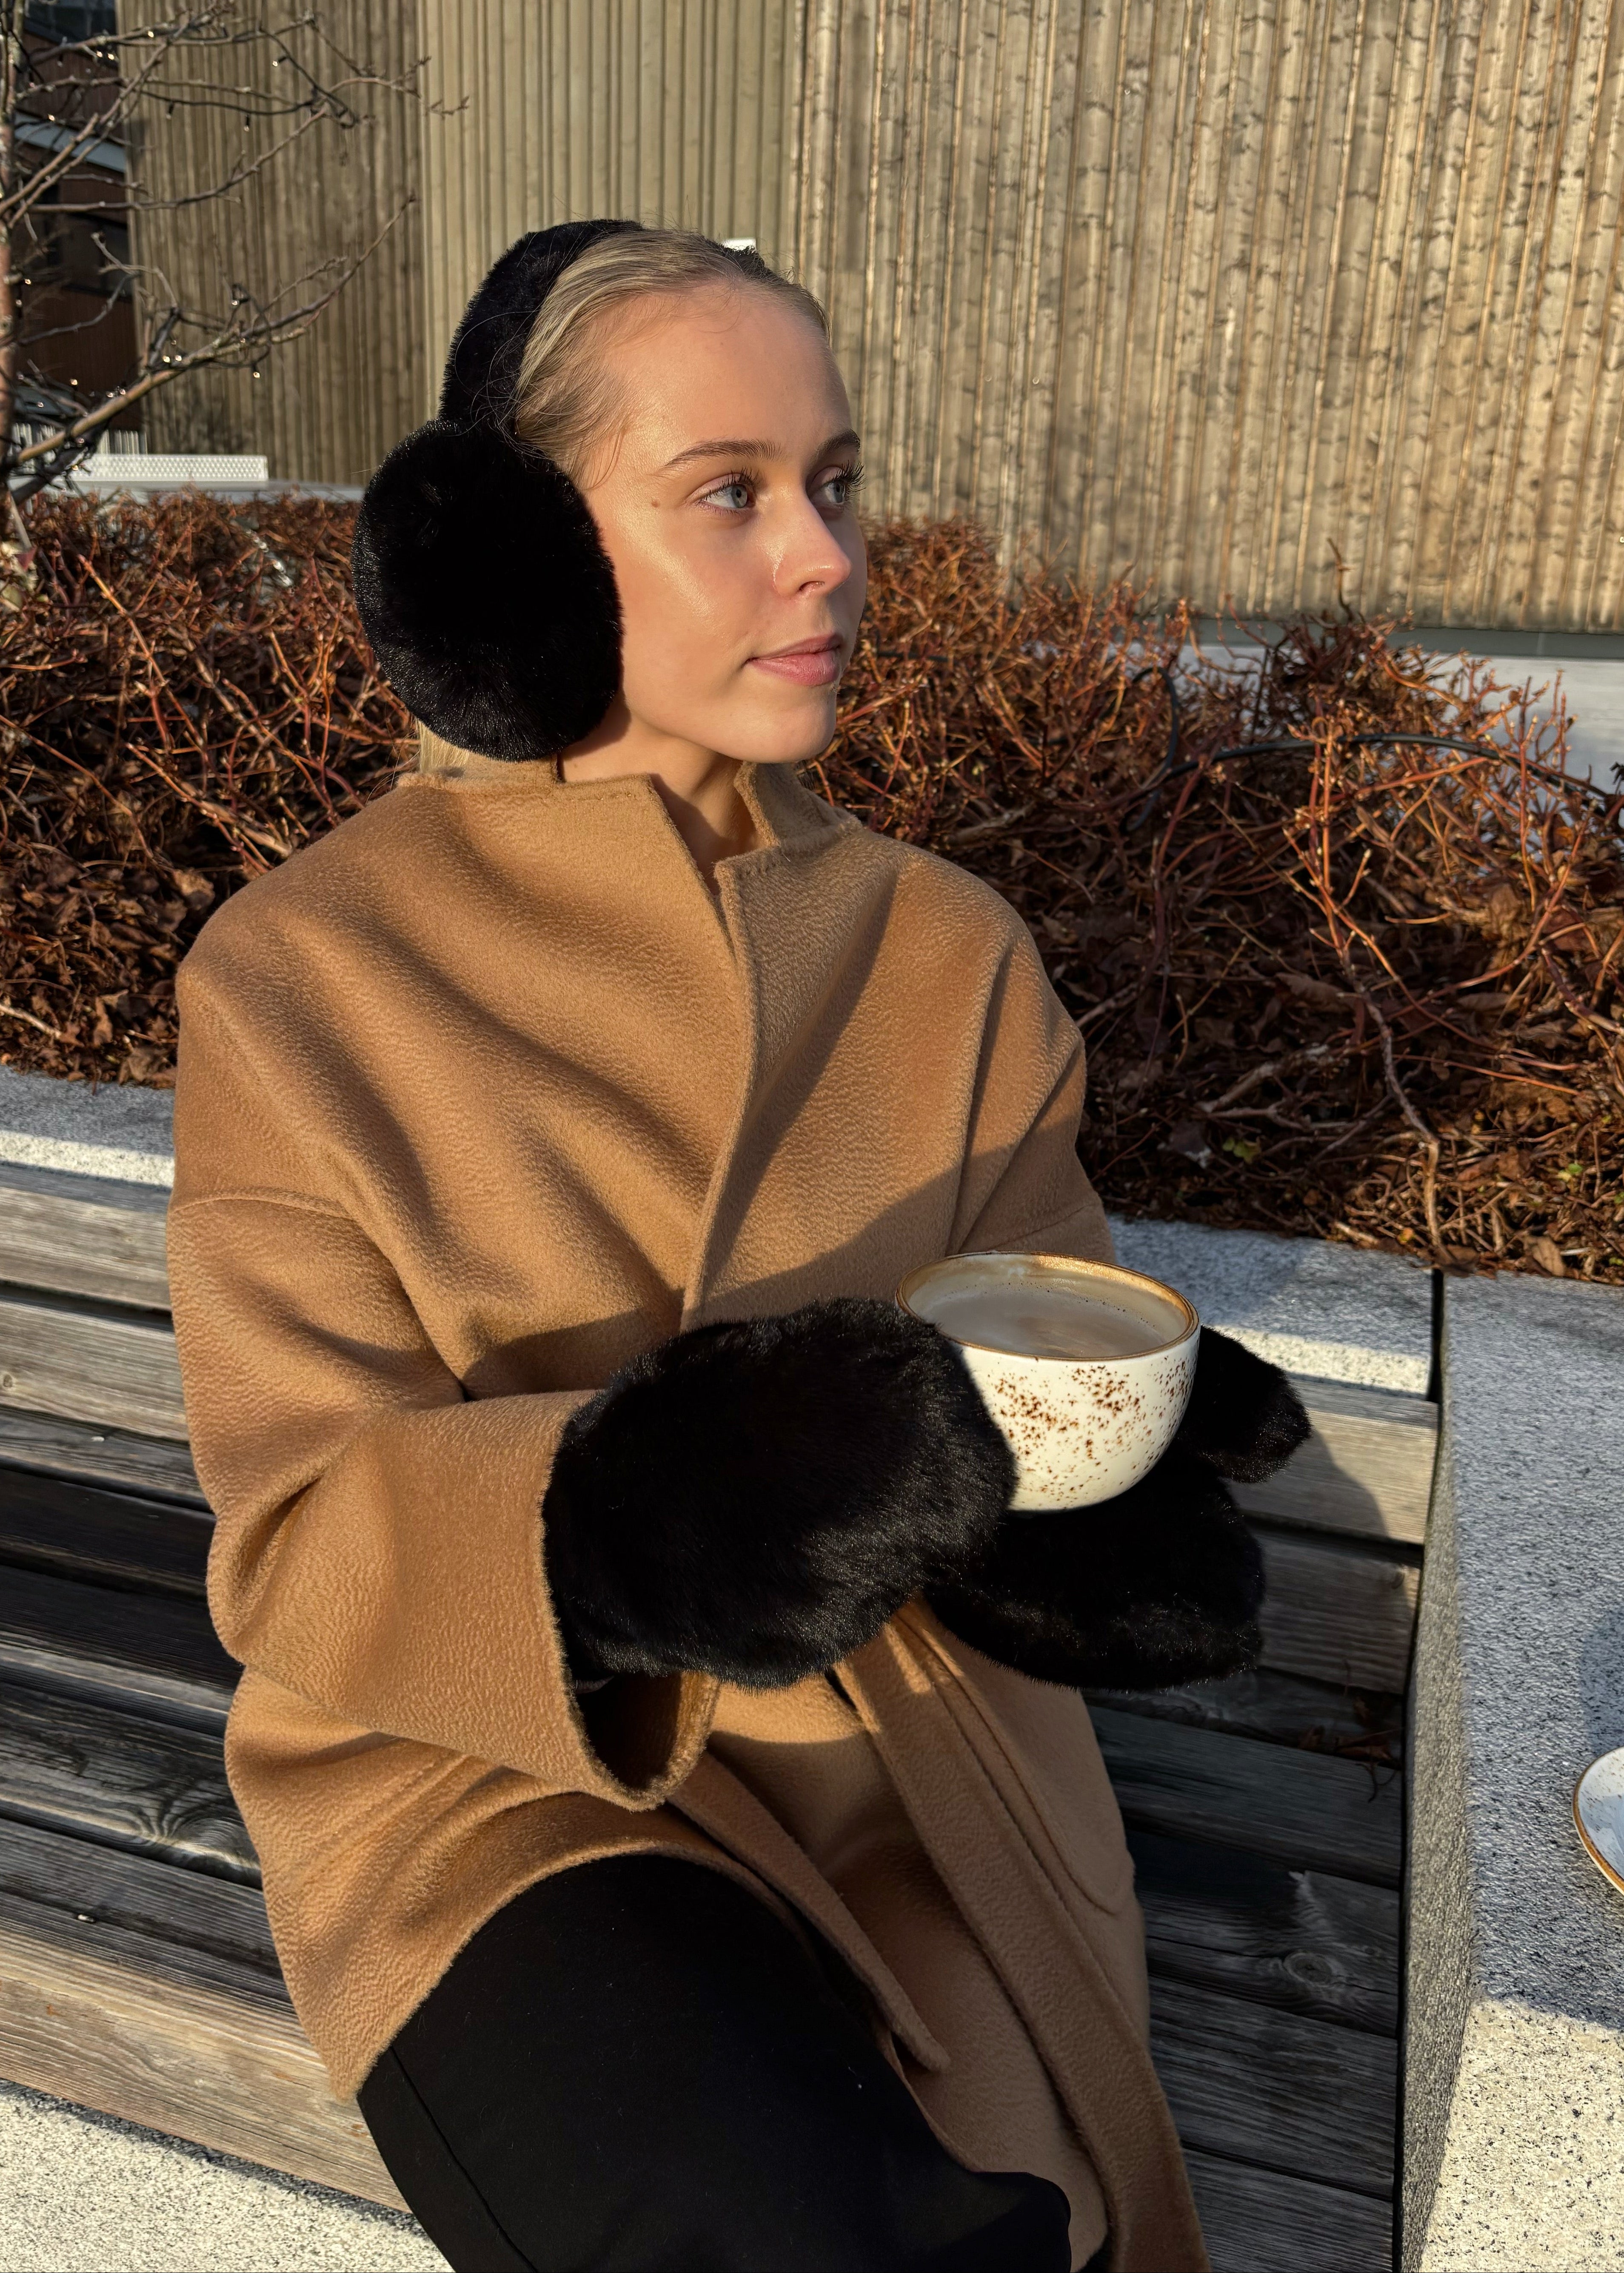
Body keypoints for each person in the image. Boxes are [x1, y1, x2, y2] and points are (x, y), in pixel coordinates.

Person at [168, 221, 1307, 2273]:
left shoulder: (951, 955)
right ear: (507, 563)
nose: (826, 555)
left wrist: (1089, 1501)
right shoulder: (303, 980)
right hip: (496, 1783)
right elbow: (296, 1540)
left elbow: (1025, 1333)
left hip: (913, 1769)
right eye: (730, 493)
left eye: (837, 481)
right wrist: (639, 1516)